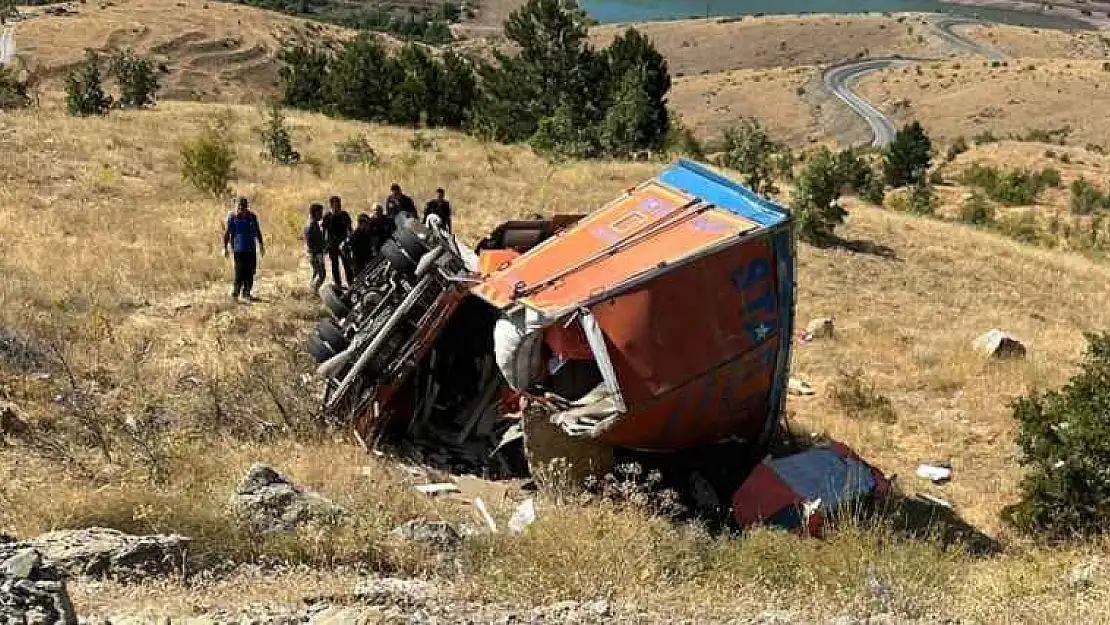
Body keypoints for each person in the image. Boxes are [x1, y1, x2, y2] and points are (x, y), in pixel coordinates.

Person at [222, 196, 264, 302]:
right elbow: (227, 233)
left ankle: (247, 293)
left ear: (247, 207)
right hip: (238, 249)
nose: (241, 209)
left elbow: (257, 231)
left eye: (243, 207)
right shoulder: (232, 217)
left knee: (251, 272)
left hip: (251, 248)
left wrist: (261, 244)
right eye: (239, 207)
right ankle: (235, 294)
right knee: (239, 272)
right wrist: (225, 248)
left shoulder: (252, 217)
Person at [322, 195, 353, 288]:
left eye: (338, 203)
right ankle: (338, 285)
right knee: (334, 266)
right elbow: (324, 232)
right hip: (332, 245)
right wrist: (325, 245)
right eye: (335, 204)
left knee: (347, 265)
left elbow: (349, 229)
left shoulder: (344, 215)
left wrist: (349, 240)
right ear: (331, 205)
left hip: (344, 244)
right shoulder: (327, 216)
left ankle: (351, 283)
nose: (337, 205)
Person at [303, 203, 327, 294]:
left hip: (315, 253)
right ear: (315, 213)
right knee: (321, 274)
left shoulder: (313, 224)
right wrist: (319, 251)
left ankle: (312, 290)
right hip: (315, 254)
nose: (321, 215)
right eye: (320, 213)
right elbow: (311, 242)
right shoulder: (312, 225)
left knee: (317, 273)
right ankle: (314, 291)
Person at [346, 213, 377, 278]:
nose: (368, 225)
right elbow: (345, 248)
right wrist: (350, 262)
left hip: (367, 260)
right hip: (358, 263)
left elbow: (370, 246)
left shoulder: (367, 233)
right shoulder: (355, 235)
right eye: (367, 223)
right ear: (362, 223)